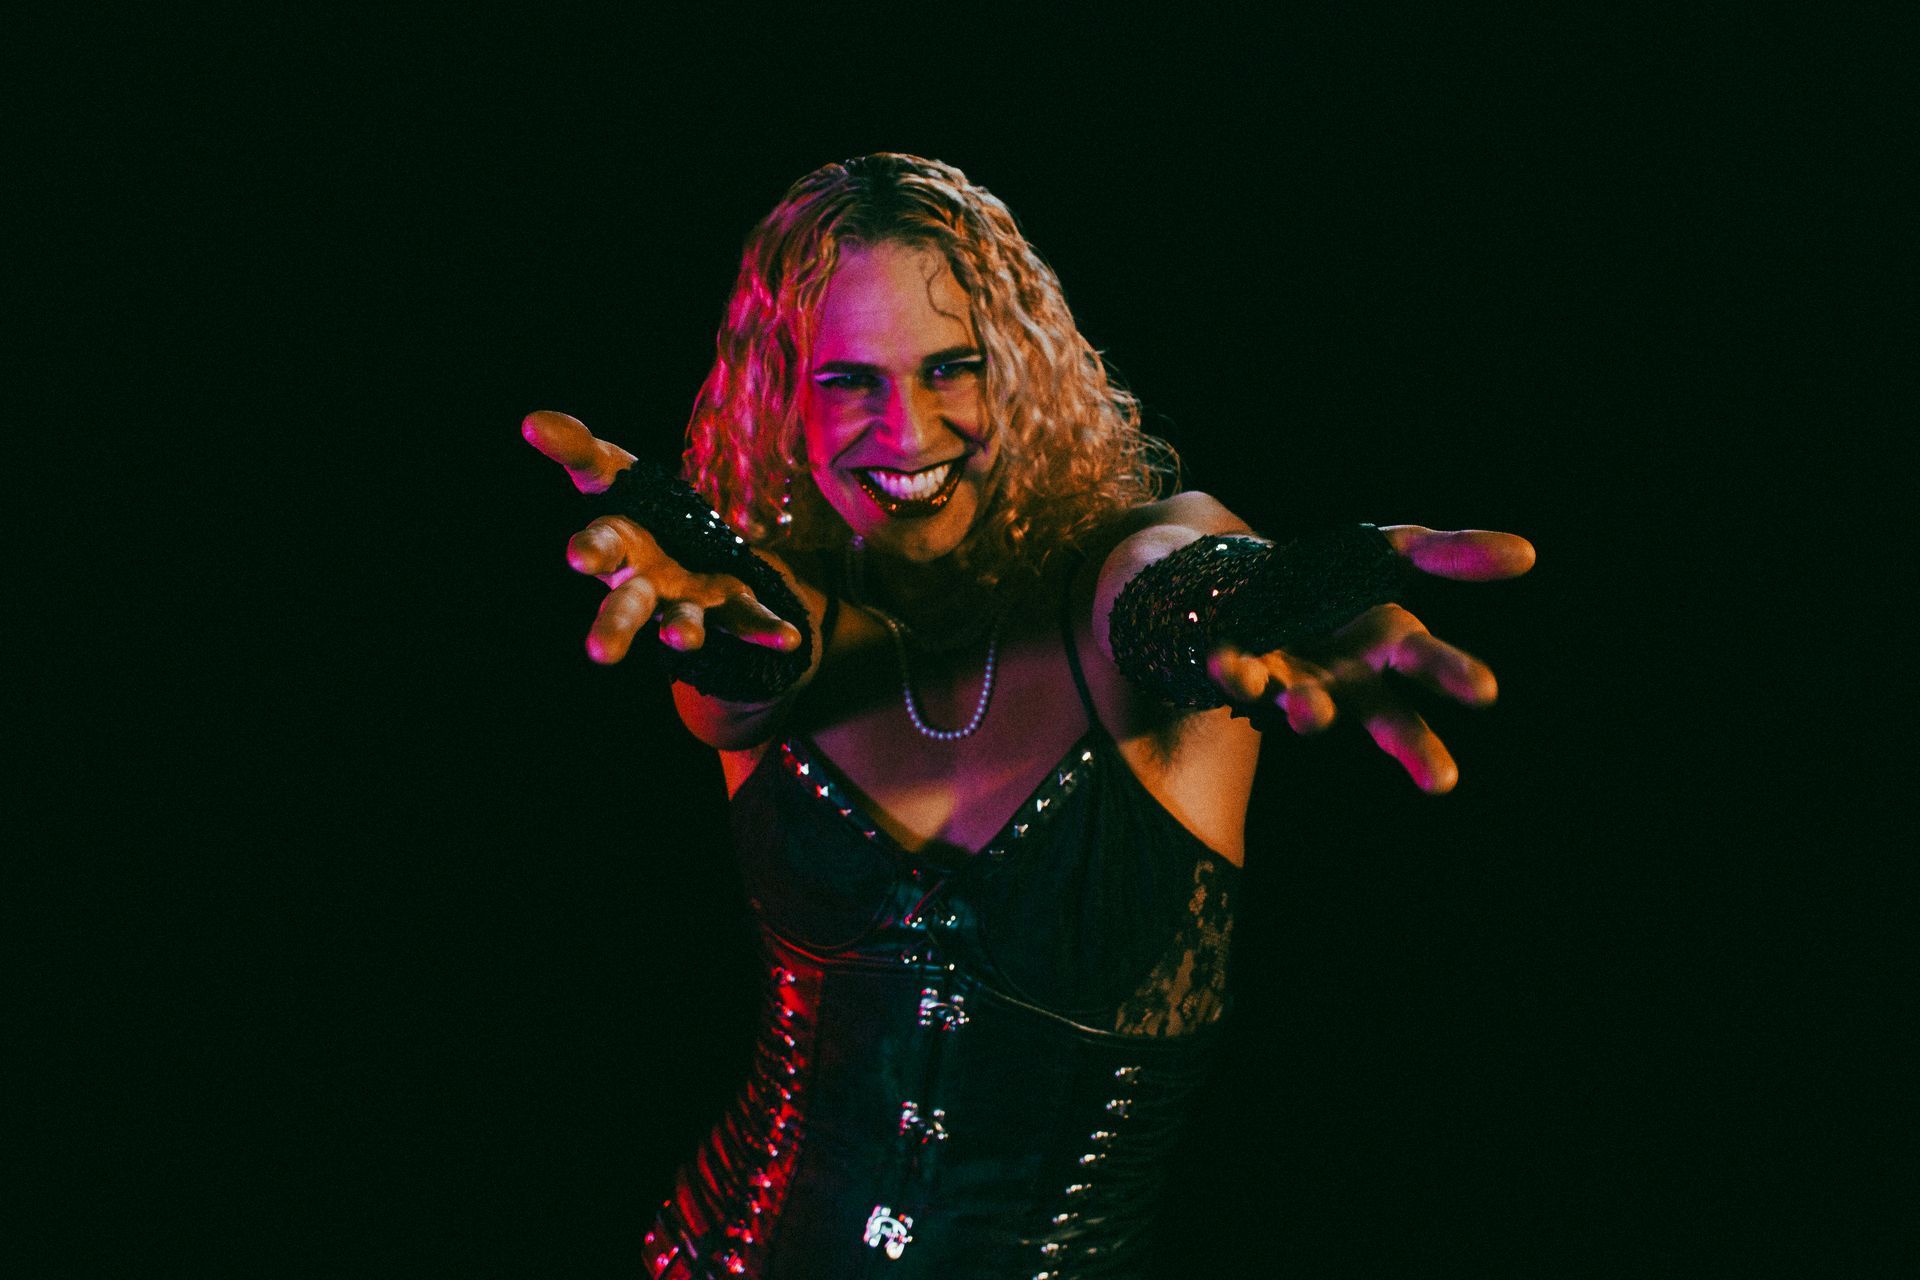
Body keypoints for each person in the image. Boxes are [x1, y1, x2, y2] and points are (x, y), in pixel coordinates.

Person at [522, 154, 1533, 1279]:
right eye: (847, 379)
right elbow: (767, 653)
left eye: (955, 366)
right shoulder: (767, 618)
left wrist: (1228, 601)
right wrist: (722, 616)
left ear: (1025, 370)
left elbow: (1162, 577)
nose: (905, 430)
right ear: (783, 397)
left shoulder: (1124, 597)